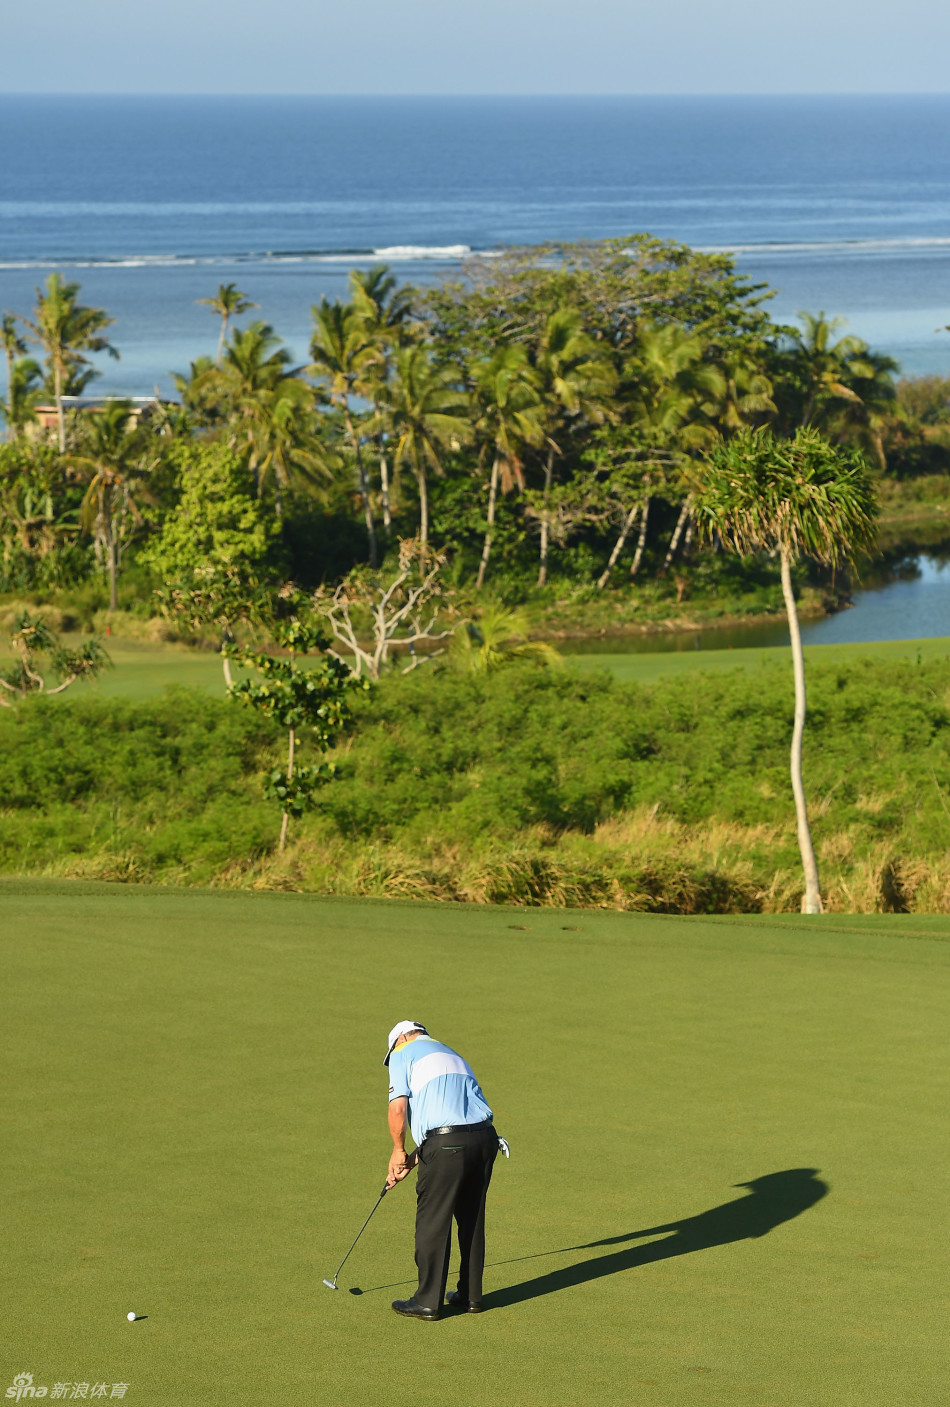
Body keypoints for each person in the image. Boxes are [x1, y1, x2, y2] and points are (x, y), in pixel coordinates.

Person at [384, 1020, 499, 1320]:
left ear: (402, 1039)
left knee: (433, 1220)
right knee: (471, 1217)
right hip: (485, 1140)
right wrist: (414, 1157)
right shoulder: (451, 1053)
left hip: (448, 1145)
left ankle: (427, 1301)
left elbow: (398, 1109)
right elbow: (455, 1118)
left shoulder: (402, 1052)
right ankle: (471, 1295)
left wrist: (397, 1151)